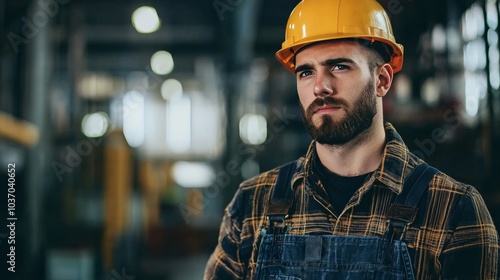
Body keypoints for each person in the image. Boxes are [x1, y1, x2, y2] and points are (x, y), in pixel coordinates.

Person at [204, 0, 499, 279]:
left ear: (382, 80)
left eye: (339, 66)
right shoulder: (252, 205)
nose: (320, 86)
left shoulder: (454, 209)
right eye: (306, 72)